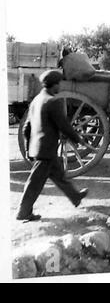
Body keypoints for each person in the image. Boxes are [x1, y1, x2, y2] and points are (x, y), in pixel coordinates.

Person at [16, 70, 88, 221]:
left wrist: (30, 147)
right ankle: (23, 212)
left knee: (59, 175)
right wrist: (78, 139)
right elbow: (64, 125)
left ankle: (75, 197)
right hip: (46, 150)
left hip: (40, 148)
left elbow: (26, 127)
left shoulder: (37, 100)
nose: (60, 87)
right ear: (54, 85)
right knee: (34, 184)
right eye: (58, 84)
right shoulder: (52, 101)